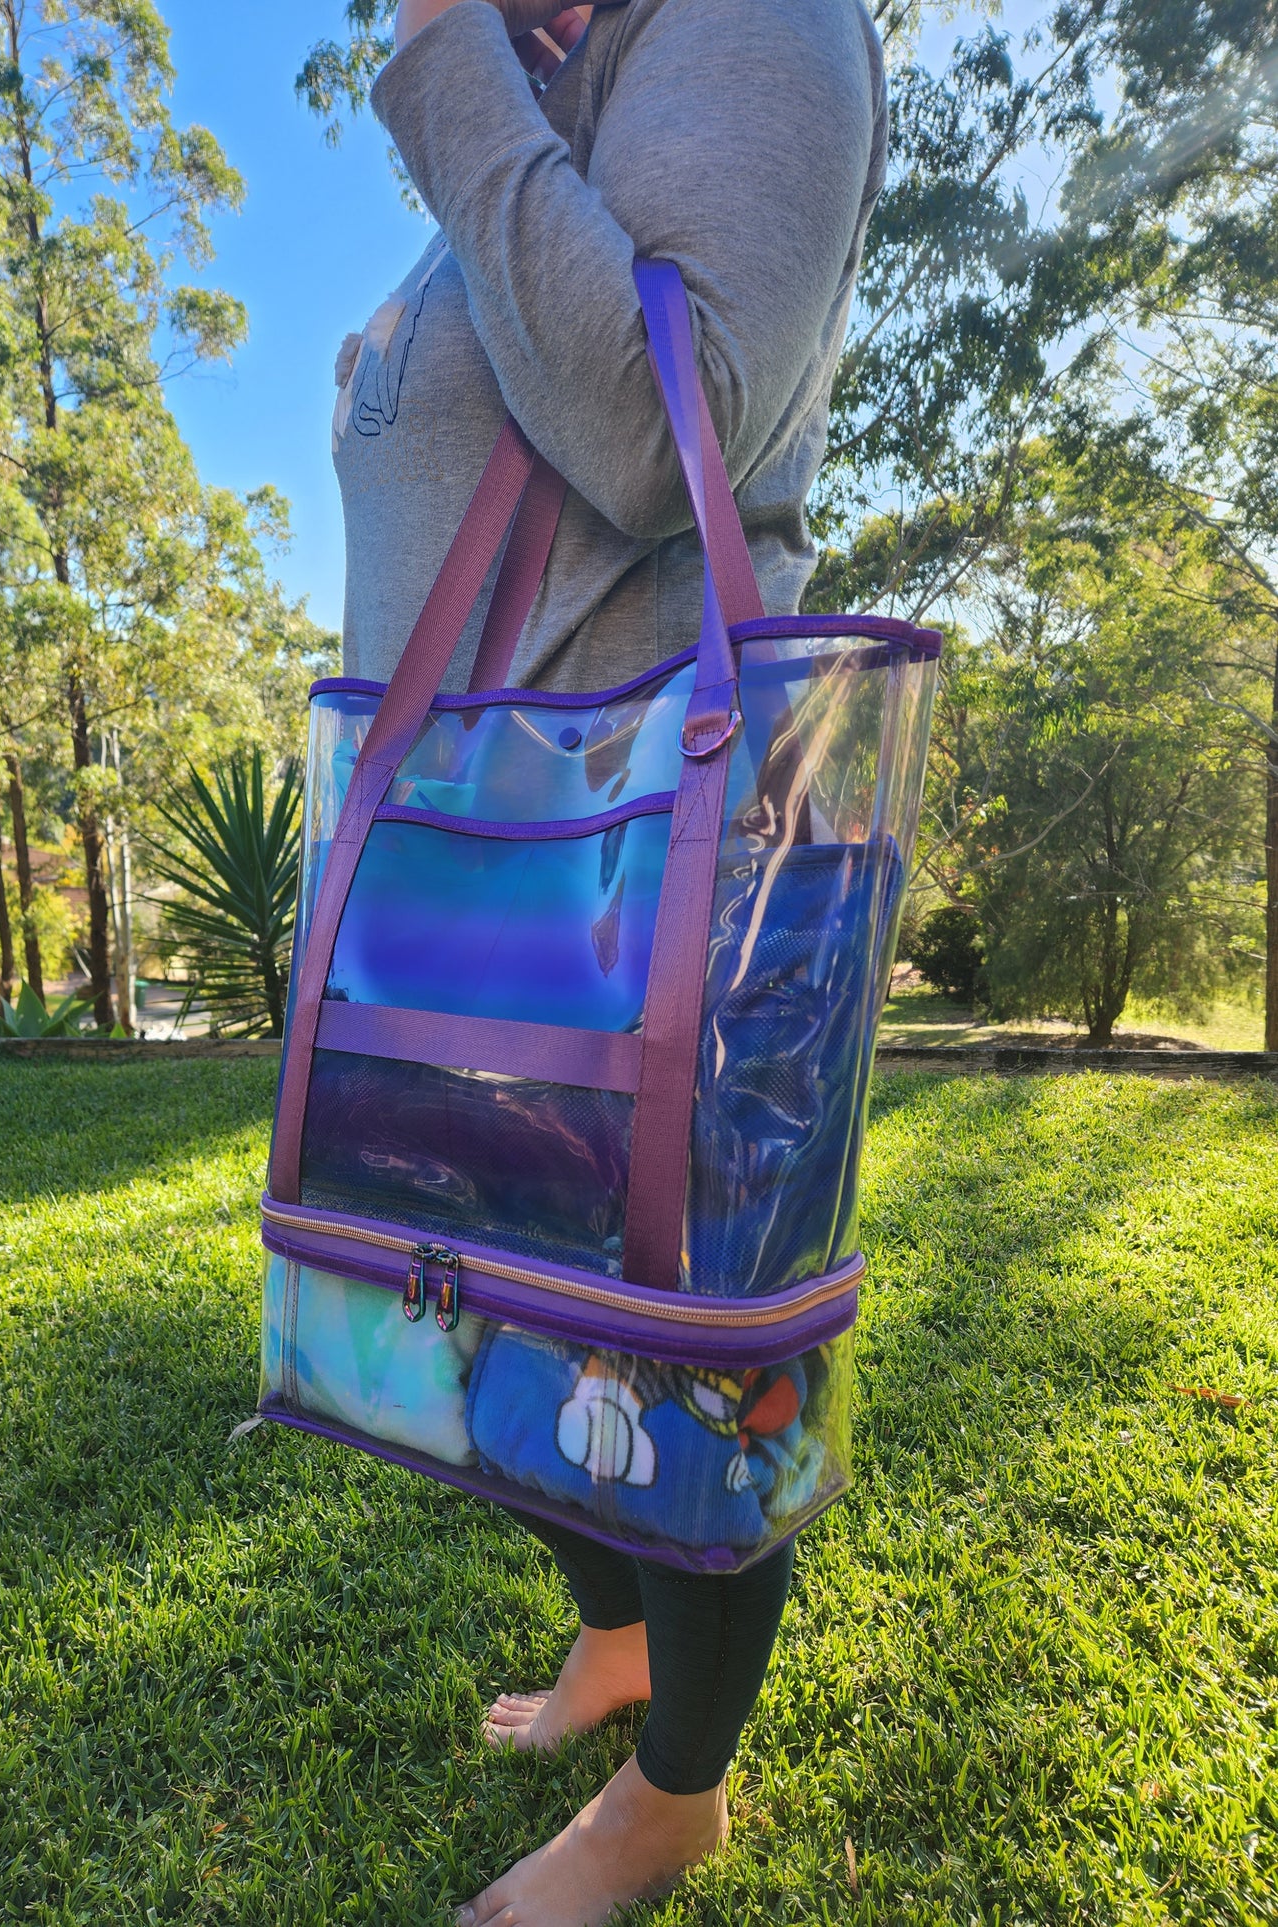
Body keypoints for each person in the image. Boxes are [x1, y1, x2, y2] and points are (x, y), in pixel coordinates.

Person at [329, 1, 889, 1919]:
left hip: (656, 852)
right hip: (470, 855)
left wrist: (443, 60)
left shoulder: (755, 24)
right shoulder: (550, 72)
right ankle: (619, 1641)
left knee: (680, 1339)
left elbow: (666, 435)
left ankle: (675, 1796)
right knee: (495, 1299)